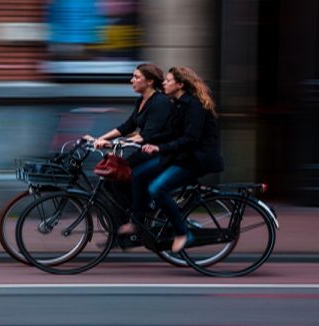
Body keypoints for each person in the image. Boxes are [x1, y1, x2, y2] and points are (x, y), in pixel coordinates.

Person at [120, 66, 224, 253]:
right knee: (138, 174)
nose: (164, 83)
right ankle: (137, 222)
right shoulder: (177, 103)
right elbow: (169, 132)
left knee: (157, 188)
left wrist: (159, 148)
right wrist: (147, 141)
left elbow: (190, 139)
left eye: (168, 81)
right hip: (179, 156)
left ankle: (184, 233)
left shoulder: (194, 106)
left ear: (180, 84)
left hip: (195, 160)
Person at [85, 63, 172, 166]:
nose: (132, 80)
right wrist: (99, 139)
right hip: (144, 151)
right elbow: (127, 126)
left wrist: (115, 143)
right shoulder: (141, 100)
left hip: (159, 153)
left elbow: (148, 135)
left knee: (123, 173)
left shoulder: (160, 102)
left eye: (136, 77)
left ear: (150, 81)